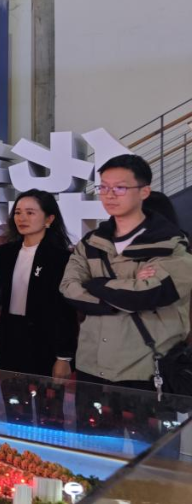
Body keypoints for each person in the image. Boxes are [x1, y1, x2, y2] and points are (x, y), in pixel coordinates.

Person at [61, 154, 192, 407]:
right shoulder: (90, 243)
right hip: (91, 366)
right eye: (103, 187)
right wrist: (126, 292)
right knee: (90, 435)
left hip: (146, 370)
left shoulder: (172, 245)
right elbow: (68, 288)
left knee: (150, 435)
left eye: (120, 188)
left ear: (144, 191)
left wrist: (95, 284)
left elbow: (147, 294)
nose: (109, 195)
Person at [0, 190, 78, 378]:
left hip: (45, 342)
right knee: (11, 395)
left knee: (45, 397)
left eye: (30, 213)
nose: (22, 218)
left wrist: (64, 357)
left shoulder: (60, 257)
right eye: (18, 212)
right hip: (9, 338)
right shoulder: (5, 252)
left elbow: (65, 311)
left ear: (49, 219)